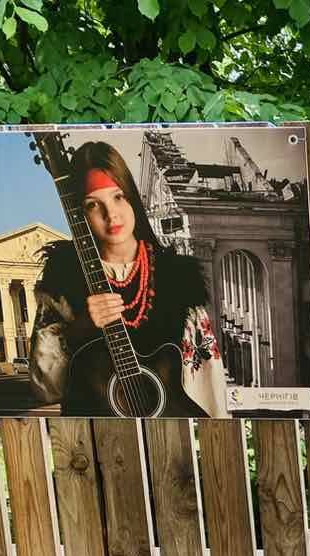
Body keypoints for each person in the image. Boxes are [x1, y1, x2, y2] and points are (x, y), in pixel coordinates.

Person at [29, 140, 228, 419]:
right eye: (93, 204)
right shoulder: (63, 279)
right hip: (96, 435)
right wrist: (79, 329)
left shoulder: (178, 278)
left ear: (132, 197)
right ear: (79, 213)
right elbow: (44, 389)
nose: (111, 214)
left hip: (167, 433)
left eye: (118, 197)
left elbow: (208, 386)